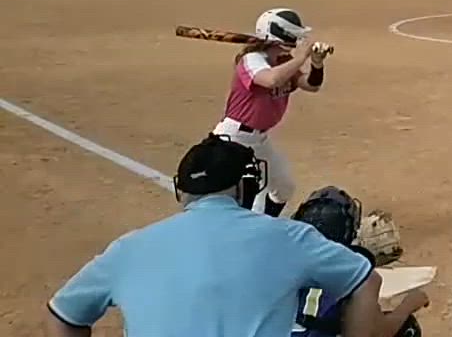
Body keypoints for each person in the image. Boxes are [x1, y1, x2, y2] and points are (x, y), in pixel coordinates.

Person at [46, 134, 382, 337]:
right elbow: (365, 282)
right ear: (245, 186)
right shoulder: (289, 238)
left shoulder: (127, 249)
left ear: (181, 191)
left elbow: (64, 315)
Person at [212, 8, 334, 217]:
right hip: (233, 139)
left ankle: (265, 225)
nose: (297, 41)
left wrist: (316, 63)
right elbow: (271, 80)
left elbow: (311, 85)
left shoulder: (283, 62)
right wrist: (301, 57)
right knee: (236, 198)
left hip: (259, 140)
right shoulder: (251, 59)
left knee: (283, 188)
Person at [291, 187, 429, 337]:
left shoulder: (281, 257)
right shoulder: (354, 272)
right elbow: (382, 332)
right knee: (406, 328)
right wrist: (409, 304)